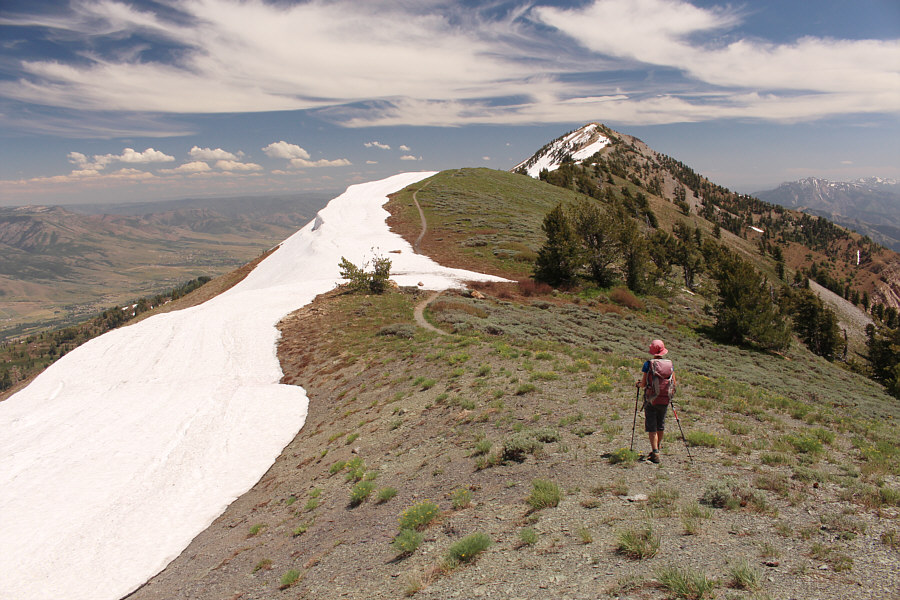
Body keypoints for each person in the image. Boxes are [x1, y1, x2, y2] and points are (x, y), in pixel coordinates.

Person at [635, 339, 675, 464]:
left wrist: (638, 385)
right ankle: (658, 447)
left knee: (652, 426)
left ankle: (655, 452)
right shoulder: (669, 364)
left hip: (651, 399)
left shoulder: (648, 364)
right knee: (660, 424)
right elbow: (674, 381)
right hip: (665, 398)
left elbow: (643, 383)